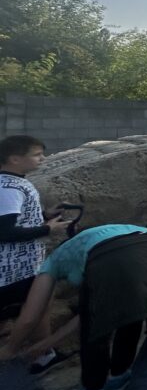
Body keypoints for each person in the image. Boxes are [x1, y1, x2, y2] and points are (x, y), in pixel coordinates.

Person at [0, 224, 147, 390]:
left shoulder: (52, 262)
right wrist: (47, 343)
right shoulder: (87, 243)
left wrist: (12, 349)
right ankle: (119, 376)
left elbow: (30, 317)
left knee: (95, 329)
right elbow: (93, 309)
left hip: (110, 254)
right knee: (131, 310)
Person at [0, 135, 69, 374]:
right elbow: (5, 231)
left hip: (22, 265)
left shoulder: (13, 182)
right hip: (14, 269)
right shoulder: (8, 188)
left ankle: (44, 355)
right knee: (37, 309)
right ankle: (15, 353)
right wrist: (47, 229)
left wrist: (44, 214)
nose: (43, 159)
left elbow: (16, 217)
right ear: (15, 158)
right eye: (37, 155)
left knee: (41, 309)